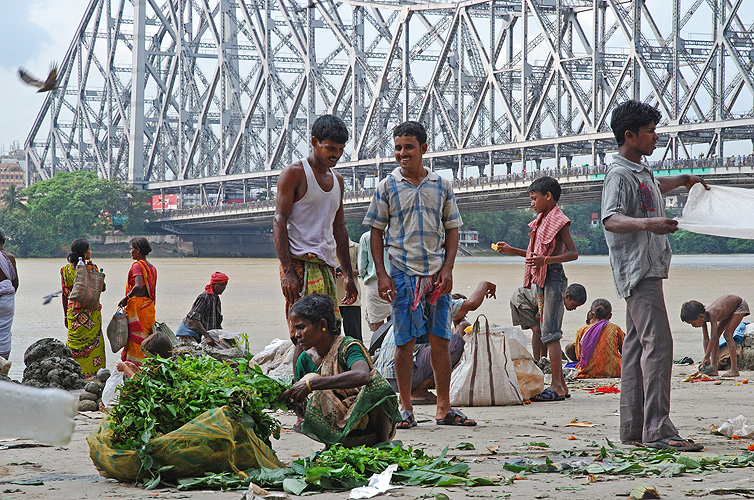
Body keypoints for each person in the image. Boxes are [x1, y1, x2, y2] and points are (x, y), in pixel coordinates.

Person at [602, 99, 707, 451]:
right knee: (659, 345)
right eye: (650, 131)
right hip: (639, 270)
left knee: (635, 347)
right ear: (629, 136)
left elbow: (651, 190)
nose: (656, 137)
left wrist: (682, 180)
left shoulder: (639, 172)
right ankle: (659, 430)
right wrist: (652, 224)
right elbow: (611, 218)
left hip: (646, 269)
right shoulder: (618, 174)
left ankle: (633, 427)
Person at [364, 120, 475, 429]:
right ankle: (405, 407)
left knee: (441, 339)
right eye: (398, 148)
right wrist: (383, 276)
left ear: (423, 149)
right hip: (402, 275)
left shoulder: (441, 185)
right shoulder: (386, 186)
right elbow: (376, 233)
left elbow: (452, 229)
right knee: (404, 342)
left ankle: (444, 408)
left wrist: (448, 268)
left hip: (436, 277)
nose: (402, 153)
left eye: (408, 147)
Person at [273, 114, 357, 370]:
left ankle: (323, 381)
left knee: (328, 327)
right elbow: (279, 221)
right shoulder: (295, 173)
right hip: (299, 264)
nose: (336, 155)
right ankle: (300, 387)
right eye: (330, 148)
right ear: (314, 142)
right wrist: (288, 271)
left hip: (326, 266)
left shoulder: (338, 181)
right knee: (305, 329)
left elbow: (339, 228)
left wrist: (349, 274)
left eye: (340, 150)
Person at [496, 176, 579, 402]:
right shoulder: (543, 219)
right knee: (545, 331)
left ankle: (558, 386)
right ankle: (560, 385)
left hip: (554, 278)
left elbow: (573, 253)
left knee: (551, 333)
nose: (531, 204)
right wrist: (514, 250)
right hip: (543, 280)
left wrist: (547, 261)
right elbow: (536, 256)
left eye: (534, 199)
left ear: (548, 197)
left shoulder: (559, 220)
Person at [280, 294, 400, 447]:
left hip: (365, 424)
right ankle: (331, 444)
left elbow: (362, 375)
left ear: (322, 325)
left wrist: (314, 384)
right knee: (307, 381)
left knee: (376, 383)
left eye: (301, 327)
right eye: (294, 328)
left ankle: (382, 444)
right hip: (337, 436)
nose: (296, 335)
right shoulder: (304, 359)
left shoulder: (348, 347)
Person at [374, 281, 497, 405]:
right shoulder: (434, 303)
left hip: (385, 377)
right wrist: (484, 285)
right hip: (400, 375)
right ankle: (418, 392)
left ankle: (409, 394)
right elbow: (472, 303)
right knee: (455, 343)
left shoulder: (407, 303)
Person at [61, 239, 107, 380]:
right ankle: (95, 375)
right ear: (84, 252)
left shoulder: (65, 270)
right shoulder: (91, 269)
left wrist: (65, 315)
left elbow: (64, 294)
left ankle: (75, 372)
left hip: (73, 313)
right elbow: (102, 288)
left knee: (73, 344)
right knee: (95, 343)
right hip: (91, 313)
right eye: (89, 249)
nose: (90, 252)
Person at [510, 283, 587, 361]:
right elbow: (542, 316)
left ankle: (543, 358)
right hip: (522, 298)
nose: (574, 308)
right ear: (567, 296)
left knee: (545, 331)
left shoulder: (559, 303)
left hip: (535, 303)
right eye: (574, 305)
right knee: (537, 330)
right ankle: (537, 360)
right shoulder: (554, 299)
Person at [680, 295, 748, 377]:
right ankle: (714, 368)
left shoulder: (713, 314)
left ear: (700, 316)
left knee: (727, 334)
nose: (693, 326)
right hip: (728, 311)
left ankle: (734, 369)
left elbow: (713, 338)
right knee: (716, 336)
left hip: (739, 306)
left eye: (693, 323)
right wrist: (707, 359)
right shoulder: (703, 318)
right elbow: (706, 339)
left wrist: (706, 357)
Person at [117, 237, 157, 366]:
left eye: (131, 249)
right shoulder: (152, 267)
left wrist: (126, 298)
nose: (130, 252)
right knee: (147, 338)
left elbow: (138, 285)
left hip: (137, 307)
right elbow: (153, 291)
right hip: (148, 307)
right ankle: (145, 365)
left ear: (138, 250)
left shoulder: (137, 266)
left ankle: (134, 366)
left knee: (135, 338)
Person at [565, 299, 625, 379]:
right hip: (614, 371)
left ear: (591, 315)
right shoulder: (615, 329)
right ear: (610, 316)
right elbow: (626, 349)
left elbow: (580, 355)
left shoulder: (583, 330)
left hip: (589, 372)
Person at [175, 272, 229, 346]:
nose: (224, 288)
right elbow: (194, 319)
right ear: (213, 285)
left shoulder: (216, 299)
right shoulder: (204, 297)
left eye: (225, 285)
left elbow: (217, 323)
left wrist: (224, 336)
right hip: (190, 334)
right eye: (221, 285)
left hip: (201, 334)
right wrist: (207, 337)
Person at [358, 230, 391, 333]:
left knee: (377, 322)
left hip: (375, 283)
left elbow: (362, 266)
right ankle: (393, 346)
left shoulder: (366, 236)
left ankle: (379, 347)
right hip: (394, 282)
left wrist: (364, 277)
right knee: (395, 320)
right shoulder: (396, 234)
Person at [335, 240, 362, 340]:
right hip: (332, 298)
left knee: (354, 336)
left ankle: (358, 355)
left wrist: (346, 271)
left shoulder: (356, 247)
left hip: (351, 299)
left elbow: (362, 270)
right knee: (332, 337)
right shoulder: (327, 247)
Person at [0, 228, 18, 361]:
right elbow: (15, 283)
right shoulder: (9, 258)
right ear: (4, 241)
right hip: (6, 301)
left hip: (6, 299)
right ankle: (3, 366)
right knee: (4, 334)